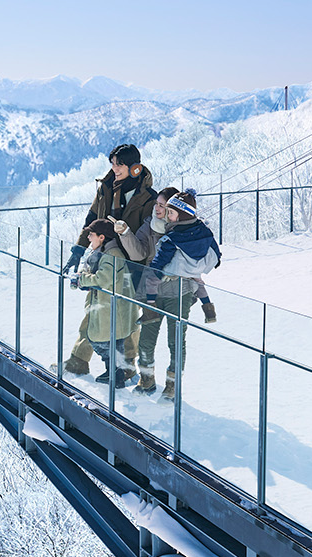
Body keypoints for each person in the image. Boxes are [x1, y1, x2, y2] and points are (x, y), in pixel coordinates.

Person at [58, 145, 156, 376]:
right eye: (112, 163)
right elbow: (92, 219)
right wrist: (78, 249)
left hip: (133, 265)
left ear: (135, 167)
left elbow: (147, 239)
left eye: (119, 164)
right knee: (95, 308)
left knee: (128, 316)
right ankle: (78, 360)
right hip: (104, 257)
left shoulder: (148, 198)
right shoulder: (106, 188)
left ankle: (127, 366)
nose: (114, 168)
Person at [145, 189, 222, 399]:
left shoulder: (171, 238)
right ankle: (172, 385)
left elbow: (158, 266)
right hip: (189, 284)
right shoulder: (204, 231)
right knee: (178, 340)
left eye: (171, 213)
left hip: (173, 287)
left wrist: (156, 272)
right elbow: (217, 256)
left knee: (156, 336)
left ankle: (150, 308)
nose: (167, 216)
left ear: (181, 215)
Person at [73, 219, 139, 388]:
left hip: (111, 307)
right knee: (113, 341)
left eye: (91, 234)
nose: (88, 237)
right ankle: (115, 375)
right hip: (110, 306)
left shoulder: (111, 255)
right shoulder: (103, 252)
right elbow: (89, 269)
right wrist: (84, 278)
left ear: (102, 237)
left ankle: (116, 374)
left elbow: (103, 279)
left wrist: (82, 279)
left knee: (100, 340)